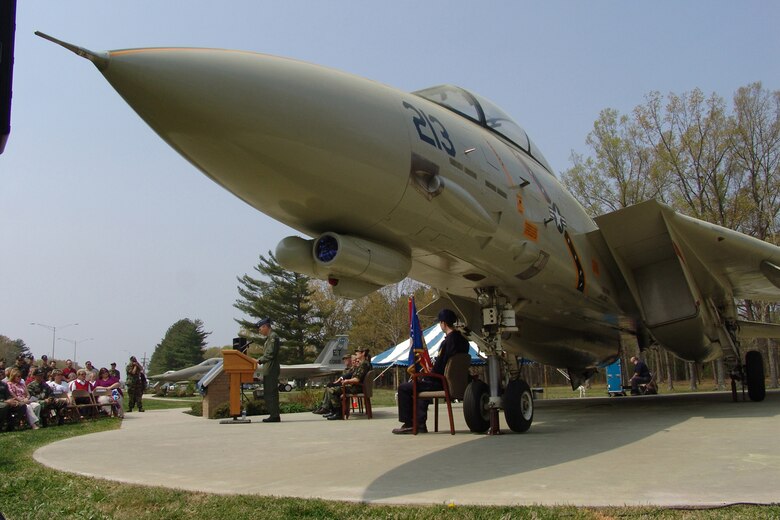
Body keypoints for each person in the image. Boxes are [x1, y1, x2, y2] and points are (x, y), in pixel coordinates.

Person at [393, 308, 469, 434]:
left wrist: (429, 373)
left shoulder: (448, 342)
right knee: (421, 385)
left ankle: (410, 423)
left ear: (443, 323)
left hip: (441, 381)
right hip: (455, 382)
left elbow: (440, 366)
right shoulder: (464, 341)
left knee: (404, 388)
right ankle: (420, 423)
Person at [322, 348, 372, 420]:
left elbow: (357, 379)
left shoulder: (364, 364)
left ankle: (338, 413)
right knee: (332, 388)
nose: (356, 354)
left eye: (357, 352)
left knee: (332, 390)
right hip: (358, 387)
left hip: (357, 387)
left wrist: (346, 381)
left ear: (363, 353)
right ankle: (333, 411)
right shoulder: (365, 364)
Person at [256, 318, 281, 423]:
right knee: (269, 392)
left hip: (271, 368)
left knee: (271, 392)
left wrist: (259, 360)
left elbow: (270, 354)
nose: (259, 331)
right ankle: (273, 414)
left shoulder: (273, 337)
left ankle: (274, 415)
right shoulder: (269, 338)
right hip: (268, 368)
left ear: (266, 326)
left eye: (260, 328)